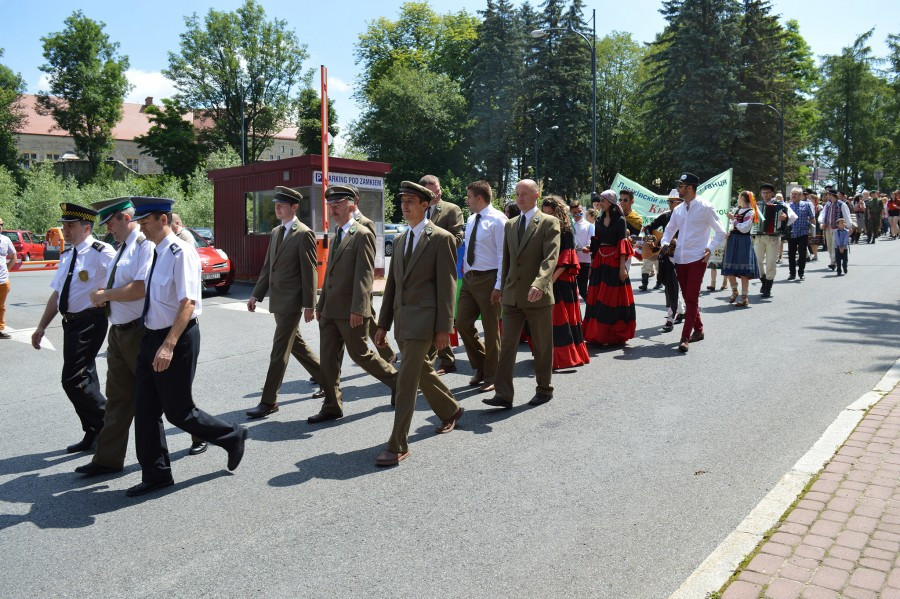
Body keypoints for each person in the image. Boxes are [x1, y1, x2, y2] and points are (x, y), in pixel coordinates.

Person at [127, 197, 247, 497]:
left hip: (176, 338)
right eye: (139, 222)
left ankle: (232, 435)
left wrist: (168, 345)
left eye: (145, 221)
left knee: (179, 412)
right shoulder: (155, 252)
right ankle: (156, 474)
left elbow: (188, 302)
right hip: (151, 337)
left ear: (163, 220)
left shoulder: (181, 253)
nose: (141, 227)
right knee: (144, 410)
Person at [374, 181, 462, 467]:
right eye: (403, 201)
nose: (405, 205)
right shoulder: (399, 240)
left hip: (426, 322)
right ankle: (450, 409)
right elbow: (392, 287)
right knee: (421, 370)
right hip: (402, 322)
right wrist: (382, 324)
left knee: (407, 380)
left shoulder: (441, 238)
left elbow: (447, 287)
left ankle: (397, 444)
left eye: (411, 201)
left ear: (426, 204)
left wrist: (443, 329)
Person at [73, 198, 156, 476]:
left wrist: (106, 295)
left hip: (138, 331)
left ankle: (201, 432)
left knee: (161, 396)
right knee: (118, 399)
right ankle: (107, 459)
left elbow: (141, 288)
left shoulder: (144, 245)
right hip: (119, 331)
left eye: (110, 222)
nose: (108, 229)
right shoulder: (121, 248)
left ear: (124, 217)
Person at [31, 204, 116, 452]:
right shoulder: (68, 255)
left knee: (72, 380)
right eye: (65, 225)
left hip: (90, 321)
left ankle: (108, 422)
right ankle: (93, 431)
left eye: (71, 225)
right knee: (85, 377)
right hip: (71, 323)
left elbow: (125, 278)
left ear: (87, 227)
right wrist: (41, 327)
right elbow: (57, 295)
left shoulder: (102, 251)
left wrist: (107, 295)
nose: (65, 230)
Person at [310, 185, 398, 423]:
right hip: (330, 310)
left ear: (351, 205)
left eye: (337, 205)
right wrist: (321, 304)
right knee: (328, 360)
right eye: (330, 205)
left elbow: (364, 275)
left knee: (361, 355)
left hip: (350, 310)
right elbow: (329, 274)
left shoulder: (362, 234)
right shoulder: (336, 234)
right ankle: (331, 405)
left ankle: (397, 382)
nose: (333, 209)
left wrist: (359, 308)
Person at [246, 186, 324, 419]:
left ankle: (269, 400)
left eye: (282, 204)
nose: (277, 208)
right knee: (296, 344)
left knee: (279, 350)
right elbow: (268, 267)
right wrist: (255, 295)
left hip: (292, 301)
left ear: (294, 207)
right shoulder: (276, 232)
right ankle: (328, 379)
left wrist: (310, 304)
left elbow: (309, 271)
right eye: (276, 204)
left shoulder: (304, 233)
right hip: (277, 301)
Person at [484, 179, 560, 409]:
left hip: (537, 295)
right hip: (512, 296)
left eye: (524, 194)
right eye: (517, 194)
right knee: (506, 346)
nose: (520, 198)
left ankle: (544, 388)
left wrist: (540, 283)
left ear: (536, 195)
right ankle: (504, 394)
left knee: (542, 344)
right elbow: (506, 260)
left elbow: (550, 257)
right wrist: (500, 287)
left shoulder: (548, 222)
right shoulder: (511, 224)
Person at [659, 173, 727, 353]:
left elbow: (721, 232)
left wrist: (710, 248)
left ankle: (684, 337)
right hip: (680, 259)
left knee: (691, 298)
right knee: (689, 299)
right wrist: (665, 243)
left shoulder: (706, 207)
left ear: (689, 187)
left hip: (697, 258)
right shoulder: (679, 209)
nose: (678, 189)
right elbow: (669, 230)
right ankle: (699, 329)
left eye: (681, 186)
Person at [456, 180, 506, 393]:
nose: (467, 201)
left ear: (479, 198)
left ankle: (492, 375)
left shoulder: (499, 220)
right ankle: (482, 366)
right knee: (462, 323)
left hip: (489, 279)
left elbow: (505, 256)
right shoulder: (471, 218)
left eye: (469, 197)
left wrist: (498, 286)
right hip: (470, 278)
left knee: (491, 329)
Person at [419, 174, 464, 375]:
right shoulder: (418, 208)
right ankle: (440, 358)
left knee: (441, 314)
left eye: (438, 190)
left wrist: (435, 246)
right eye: (433, 191)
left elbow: (458, 239)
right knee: (427, 314)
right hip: (421, 271)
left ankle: (441, 361)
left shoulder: (451, 209)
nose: (438, 194)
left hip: (442, 269)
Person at [540, 196, 589, 368]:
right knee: (548, 320)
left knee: (562, 318)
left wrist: (550, 280)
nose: (547, 216)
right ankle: (549, 355)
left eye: (550, 212)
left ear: (558, 212)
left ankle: (566, 356)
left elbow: (567, 259)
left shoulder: (567, 230)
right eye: (545, 212)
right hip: (548, 277)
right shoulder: (543, 228)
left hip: (561, 279)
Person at [583, 189, 636, 346]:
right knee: (597, 297)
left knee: (610, 299)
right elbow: (596, 243)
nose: (601, 203)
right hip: (600, 260)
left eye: (604, 201)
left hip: (614, 261)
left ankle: (609, 335)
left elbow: (622, 244)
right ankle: (597, 334)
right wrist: (592, 266)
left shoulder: (620, 220)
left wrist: (622, 268)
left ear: (611, 203)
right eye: (600, 201)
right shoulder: (598, 221)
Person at [349, 192, 396, 363]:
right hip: (344, 285)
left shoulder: (365, 223)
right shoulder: (341, 223)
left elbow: (368, 256)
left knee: (368, 321)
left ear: (355, 200)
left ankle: (388, 355)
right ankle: (330, 367)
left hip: (359, 282)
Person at [644, 189, 685, 332]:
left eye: (672, 201)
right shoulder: (666, 216)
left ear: (681, 202)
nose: (669, 204)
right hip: (667, 256)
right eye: (668, 201)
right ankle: (670, 316)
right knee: (670, 285)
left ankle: (681, 310)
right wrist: (651, 238)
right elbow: (648, 227)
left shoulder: (687, 217)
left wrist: (678, 241)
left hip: (685, 256)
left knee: (678, 286)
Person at [753, 183, 796, 298]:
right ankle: (764, 282)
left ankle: (768, 288)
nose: (765, 195)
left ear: (772, 193)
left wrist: (785, 218)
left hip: (773, 237)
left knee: (771, 263)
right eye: (763, 192)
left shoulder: (780, 205)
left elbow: (793, 217)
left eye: (767, 192)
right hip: (759, 236)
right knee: (757, 262)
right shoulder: (757, 205)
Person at [721, 191, 760, 307]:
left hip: (743, 241)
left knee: (744, 271)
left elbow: (744, 229)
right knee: (729, 268)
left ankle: (744, 297)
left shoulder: (750, 212)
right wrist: (730, 231)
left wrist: (733, 219)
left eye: (739, 197)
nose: (738, 198)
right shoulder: (738, 210)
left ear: (743, 198)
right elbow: (736, 226)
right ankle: (734, 291)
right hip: (733, 240)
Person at [817, 189, 852, 270]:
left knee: (834, 245)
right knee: (829, 246)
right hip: (828, 228)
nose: (826, 196)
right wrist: (821, 222)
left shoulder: (841, 204)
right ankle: (833, 260)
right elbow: (823, 214)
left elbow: (847, 215)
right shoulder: (827, 205)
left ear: (832, 195)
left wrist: (849, 226)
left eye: (828, 194)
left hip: (837, 229)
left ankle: (833, 262)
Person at [786, 188, 816, 281]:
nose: (793, 196)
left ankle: (801, 272)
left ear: (800, 195)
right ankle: (792, 273)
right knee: (791, 254)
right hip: (791, 233)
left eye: (796, 194)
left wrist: (813, 230)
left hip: (803, 233)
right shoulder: (787, 206)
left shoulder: (806, 205)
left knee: (802, 253)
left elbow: (812, 217)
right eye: (792, 194)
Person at [571, 200, 593, 301]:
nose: (577, 214)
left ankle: (591, 311)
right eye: (574, 212)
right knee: (571, 292)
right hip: (571, 261)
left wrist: (588, 247)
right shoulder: (569, 225)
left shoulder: (589, 225)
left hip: (584, 261)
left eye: (579, 211)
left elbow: (592, 241)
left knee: (583, 290)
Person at [0, 226, 17, 339]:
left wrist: (6, 270)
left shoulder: (6, 240)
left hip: (3, 280)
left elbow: (14, 256)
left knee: (1, 306)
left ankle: (0, 329)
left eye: (1, 224)